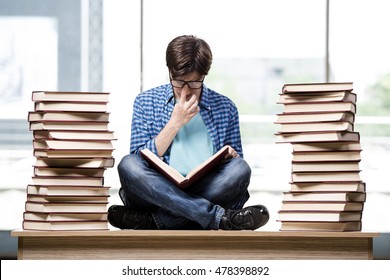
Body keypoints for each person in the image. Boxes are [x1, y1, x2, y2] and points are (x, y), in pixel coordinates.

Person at [108, 35, 269, 230]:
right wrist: (175, 123)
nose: (185, 90)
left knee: (240, 168)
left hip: (207, 189)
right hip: (157, 191)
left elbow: (235, 174)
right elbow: (138, 159)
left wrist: (230, 157)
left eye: (194, 83)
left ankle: (155, 221)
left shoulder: (226, 107)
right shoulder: (145, 101)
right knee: (128, 164)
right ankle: (218, 219)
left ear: (204, 76)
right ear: (169, 72)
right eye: (179, 82)